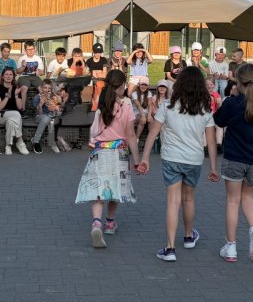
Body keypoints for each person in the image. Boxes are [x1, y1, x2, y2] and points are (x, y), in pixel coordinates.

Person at [137, 66, 217, 262]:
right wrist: (214, 167)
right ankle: (189, 236)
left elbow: (153, 133)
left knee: (173, 202)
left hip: (171, 158)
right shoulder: (205, 109)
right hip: (194, 159)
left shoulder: (167, 107)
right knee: (188, 199)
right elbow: (212, 140)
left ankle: (170, 247)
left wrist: (145, 158)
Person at [213, 63, 253, 262]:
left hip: (235, 158)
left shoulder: (233, 103)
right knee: (248, 197)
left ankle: (231, 247)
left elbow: (219, 120)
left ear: (238, 82)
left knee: (232, 201)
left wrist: (229, 98)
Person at [76, 69, 141, 249]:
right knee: (114, 188)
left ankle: (96, 222)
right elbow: (131, 135)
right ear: (121, 87)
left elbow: (94, 131)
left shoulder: (101, 107)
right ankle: (110, 223)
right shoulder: (126, 108)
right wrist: (137, 160)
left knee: (99, 189)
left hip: (100, 151)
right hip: (119, 152)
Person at [0, 67, 28, 155]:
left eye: (11, 74)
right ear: (2, 76)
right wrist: (7, 96)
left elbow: (20, 107)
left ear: (13, 77)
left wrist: (16, 95)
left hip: (13, 116)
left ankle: (8, 146)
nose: (8, 76)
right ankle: (20, 141)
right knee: (16, 114)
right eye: (6, 74)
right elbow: (0, 107)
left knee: (11, 122)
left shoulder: (16, 88)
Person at [32, 79, 63, 154]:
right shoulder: (37, 97)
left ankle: (53, 142)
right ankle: (35, 141)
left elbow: (59, 111)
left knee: (52, 120)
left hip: (52, 116)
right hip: (40, 117)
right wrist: (41, 104)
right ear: (42, 88)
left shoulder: (54, 97)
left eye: (49, 88)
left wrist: (56, 107)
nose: (47, 90)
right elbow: (38, 113)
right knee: (46, 119)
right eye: (45, 88)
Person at [86, 43, 109, 111]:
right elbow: (87, 73)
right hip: (91, 79)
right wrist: (97, 72)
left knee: (99, 84)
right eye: (96, 52)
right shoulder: (89, 61)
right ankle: (95, 104)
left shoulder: (104, 60)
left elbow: (104, 74)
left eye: (99, 52)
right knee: (96, 85)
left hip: (101, 80)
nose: (98, 54)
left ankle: (96, 104)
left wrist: (94, 72)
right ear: (93, 52)